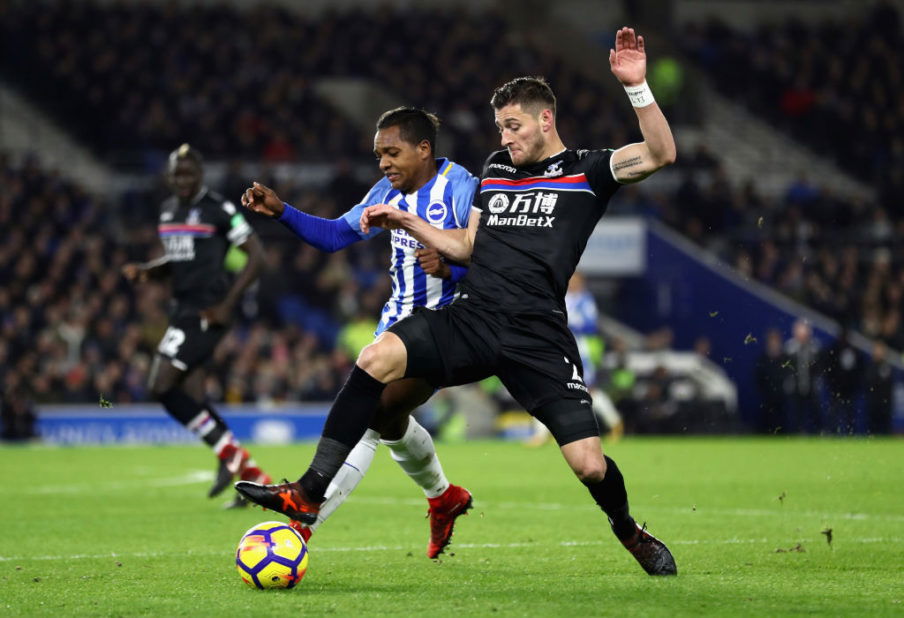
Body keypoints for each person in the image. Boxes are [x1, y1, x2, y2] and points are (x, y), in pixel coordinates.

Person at [238, 27, 678, 576]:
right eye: (501, 127)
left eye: (513, 126)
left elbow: (661, 153)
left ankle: (628, 530)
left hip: (537, 333)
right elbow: (467, 245)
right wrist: (405, 220)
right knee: (375, 359)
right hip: (473, 317)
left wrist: (636, 87)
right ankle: (307, 493)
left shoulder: (587, 170)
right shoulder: (496, 170)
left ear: (546, 120)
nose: (505, 137)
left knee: (589, 465)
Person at [241, 107, 478, 558]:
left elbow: (490, 255)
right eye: (379, 155)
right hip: (395, 327)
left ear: (423, 149)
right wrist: (281, 211)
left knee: (369, 419)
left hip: (445, 328)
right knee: (389, 424)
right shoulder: (388, 190)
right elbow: (335, 236)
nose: (384, 163)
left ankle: (300, 527)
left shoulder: (461, 187)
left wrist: (452, 269)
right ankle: (443, 497)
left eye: (392, 152)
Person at [122, 144, 271, 507]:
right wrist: (148, 271)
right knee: (192, 398)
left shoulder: (219, 209)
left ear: (201, 174)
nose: (183, 180)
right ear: (169, 176)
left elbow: (257, 257)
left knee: (161, 386)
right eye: (177, 174)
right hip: (182, 310)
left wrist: (227, 304)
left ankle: (229, 456)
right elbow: (179, 259)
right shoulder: (168, 210)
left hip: (207, 312)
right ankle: (252, 478)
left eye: (189, 173)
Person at [527, 272, 623, 445]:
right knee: (546, 385)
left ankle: (614, 423)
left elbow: (590, 324)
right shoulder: (559, 296)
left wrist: (567, 322)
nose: (571, 283)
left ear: (581, 283)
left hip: (581, 348)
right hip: (558, 346)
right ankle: (540, 433)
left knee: (588, 389)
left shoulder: (585, 300)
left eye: (575, 281)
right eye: (570, 280)